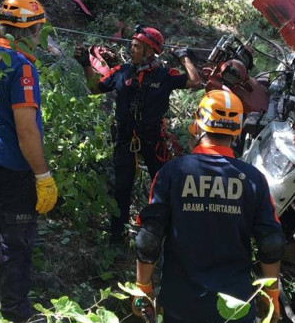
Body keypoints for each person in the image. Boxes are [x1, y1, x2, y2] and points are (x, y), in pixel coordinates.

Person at [133, 90, 285, 323]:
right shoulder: (253, 179)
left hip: (181, 306)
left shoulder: (172, 173)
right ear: (237, 129)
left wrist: (144, 288)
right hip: (235, 306)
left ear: (197, 124)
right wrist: (271, 295)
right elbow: (271, 243)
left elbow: (149, 238)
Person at [0, 0, 58, 322]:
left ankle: (3, 293)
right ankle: (17, 316)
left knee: (0, 231)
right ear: (32, 31)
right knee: (17, 241)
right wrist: (43, 175)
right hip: (10, 163)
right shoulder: (21, 67)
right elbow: (26, 131)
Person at [74, 25, 202, 244]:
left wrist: (184, 57)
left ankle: (165, 232)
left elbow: (194, 81)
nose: (131, 49)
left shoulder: (164, 75)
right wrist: (86, 65)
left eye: (136, 46)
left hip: (153, 140)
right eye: (131, 45)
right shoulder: (122, 71)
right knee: (122, 188)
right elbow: (95, 89)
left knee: (161, 185)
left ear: (150, 51)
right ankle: (117, 237)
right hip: (125, 139)